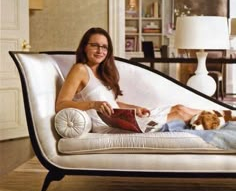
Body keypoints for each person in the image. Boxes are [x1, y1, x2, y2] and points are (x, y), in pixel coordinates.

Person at [56, 27, 203, 133]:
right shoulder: (80, 69)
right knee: (180, 114)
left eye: (104, 47)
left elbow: (113, 104)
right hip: (111, 125)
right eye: (94, 45)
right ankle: (222, 121)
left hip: (125, 119)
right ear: (84, 47)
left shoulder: (103, 73)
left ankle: (223, 116)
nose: (100, 51)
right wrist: (93, 104)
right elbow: (61, 105)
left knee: (179, 108)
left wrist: (135, 108)